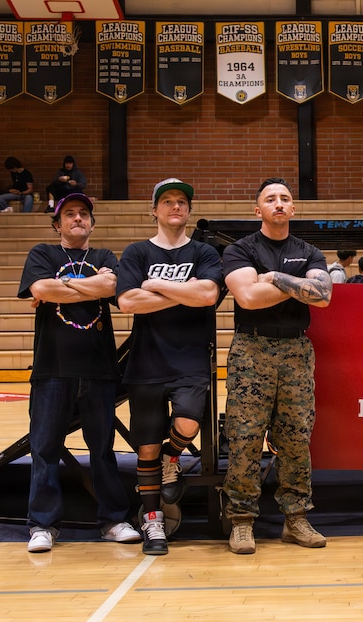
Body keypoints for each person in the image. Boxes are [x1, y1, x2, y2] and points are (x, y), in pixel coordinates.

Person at [16, 192, 141, 552]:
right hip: (52, 369)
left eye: (83, 214)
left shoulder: (103, 257)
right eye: (69, 214)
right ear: (57, 224)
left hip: (99, 370)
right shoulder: (43, 254)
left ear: (92, 222)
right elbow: (40, 288)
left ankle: (114, 520)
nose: (77, 219)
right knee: (44, 448)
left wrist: (63, 289)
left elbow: (113, 286)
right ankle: (42, 524)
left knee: (102, 448)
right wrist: (89, 288)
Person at [221, 177, 332, 554]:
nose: (279, 203)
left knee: (296, 439)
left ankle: (296, 519)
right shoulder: (240, 250)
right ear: (258, 210)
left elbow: (323, 295)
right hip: (251, 349)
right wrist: (296, 284)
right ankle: (241, 522)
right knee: (245, 439)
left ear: (293, 208)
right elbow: (249, 298)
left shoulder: (309, 251)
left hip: (296, 352)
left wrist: (276, 278)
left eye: (285, 198)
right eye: (271, 199)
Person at [116, 179, 223, 555]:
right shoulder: (136, 252)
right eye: (167, 201)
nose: (175, 206)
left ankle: (172, 456)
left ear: (188, 210)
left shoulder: (205, 252)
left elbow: (209, 294)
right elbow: (128, 301)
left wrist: (155, 286)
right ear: (155, 210)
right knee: (145, 448)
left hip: (190, 359)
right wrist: (183, 293)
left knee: (188, 424)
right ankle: (152, 522)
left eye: (181, 202)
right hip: (146, 361)